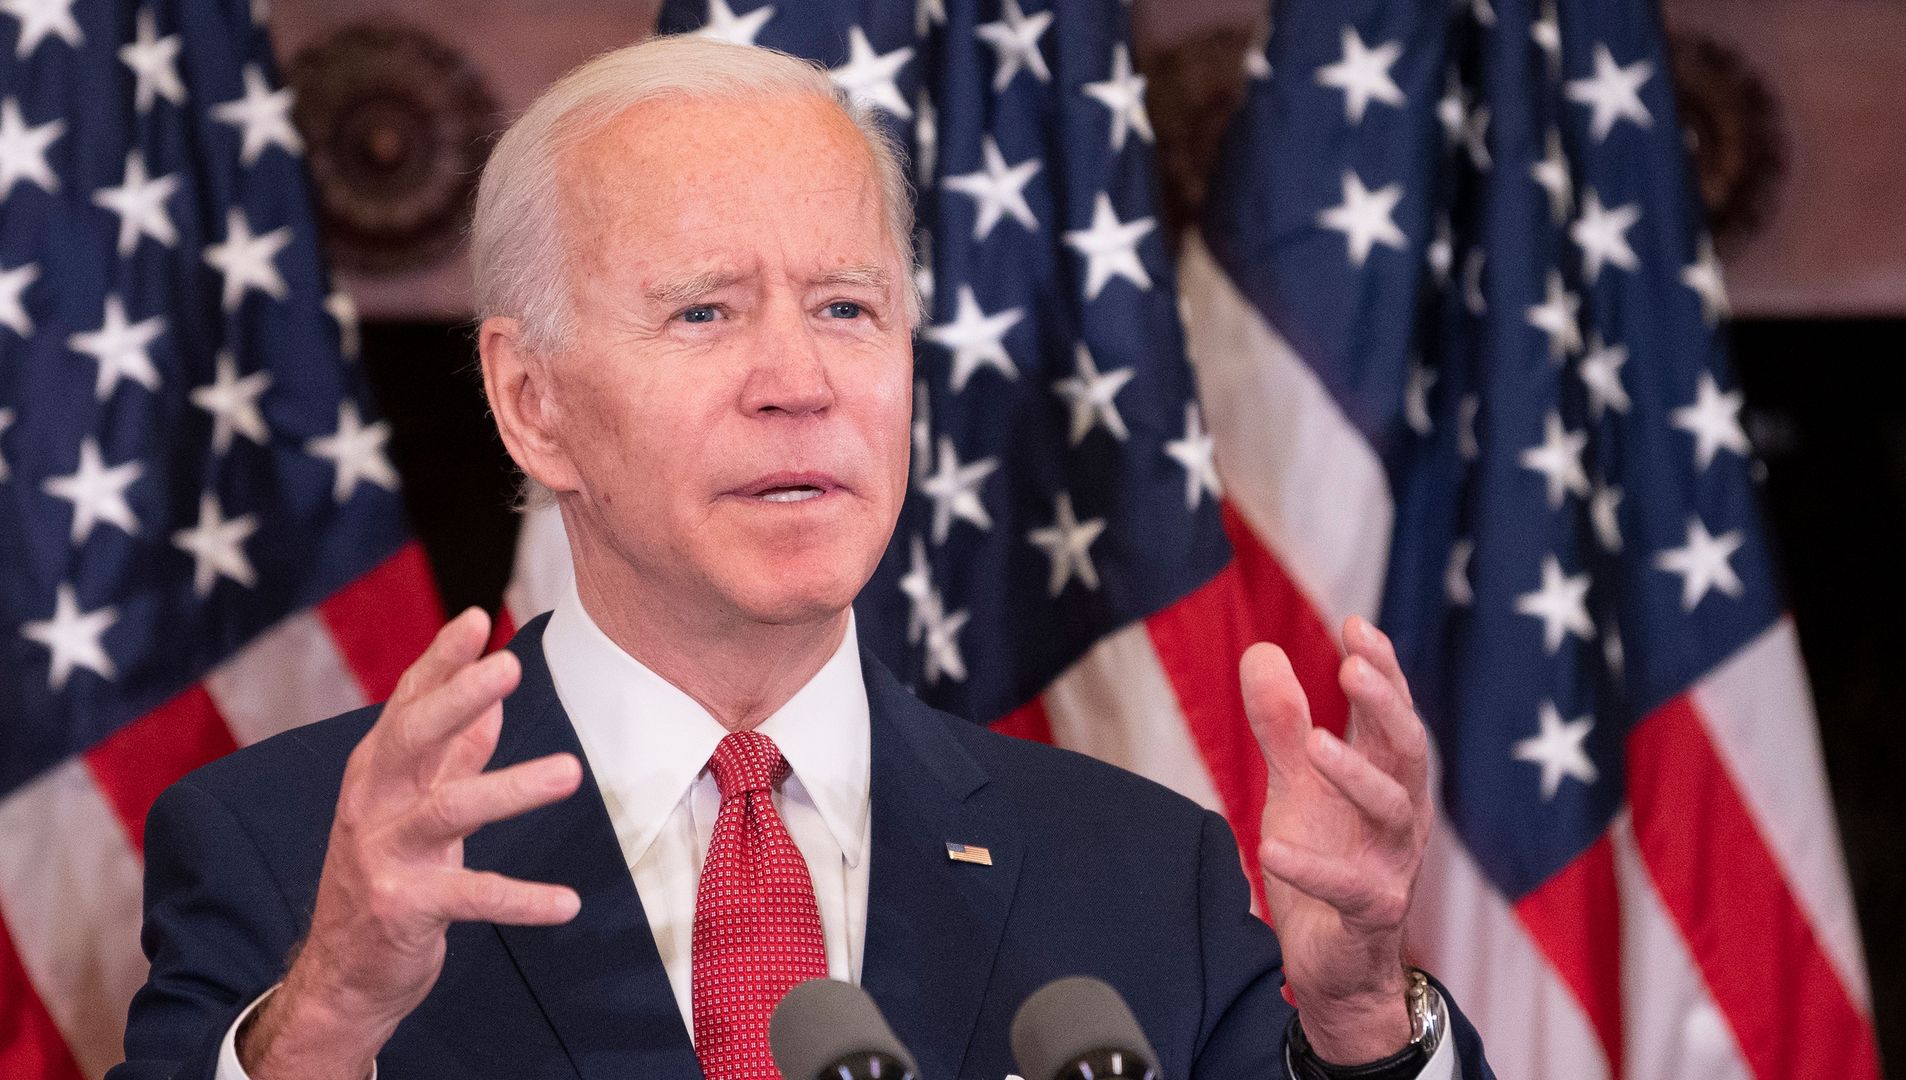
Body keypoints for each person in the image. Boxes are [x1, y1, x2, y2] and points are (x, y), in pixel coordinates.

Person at [110, 36, 1494, 1080]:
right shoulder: (292, 854)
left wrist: (1368, 1016)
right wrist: (332, 1015)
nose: (799, 381)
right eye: (704, 314)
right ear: (534, 403)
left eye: (847, 306)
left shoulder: (1143, 875)